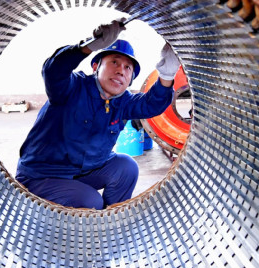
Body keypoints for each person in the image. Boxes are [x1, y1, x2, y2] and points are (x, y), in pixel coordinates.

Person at [15, 19, 180, 209]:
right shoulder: (71, 87)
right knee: (90, 201)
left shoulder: (124, 102)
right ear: (95, 67)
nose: (120, 71)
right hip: (42, 175)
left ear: (130, 80)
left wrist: (167, 74)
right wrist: (87, 47)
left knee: (126, 167)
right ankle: (89, 220)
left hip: (85, 172)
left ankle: (112, 220)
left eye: (128, 68)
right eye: (114, 62)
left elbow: (152, 105)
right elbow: (54, 70)